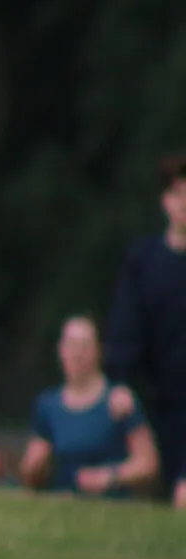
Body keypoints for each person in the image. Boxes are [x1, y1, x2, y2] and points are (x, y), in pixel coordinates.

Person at [103, 153, 186, 507]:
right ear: (165, 200)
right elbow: (126, 327)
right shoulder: (143, 261)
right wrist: (120, 382)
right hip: (156, 403)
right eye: (179, 194)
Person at [21, 316, 158, 498]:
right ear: (60, 350)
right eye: (71, 345)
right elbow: (30, 474)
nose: (77, 354)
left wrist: (108, 477)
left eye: (84, 345)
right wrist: (34, 468)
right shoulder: (48, 406)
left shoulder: (119, 402)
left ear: (97, 351)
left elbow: (148, 463)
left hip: (110, 509)